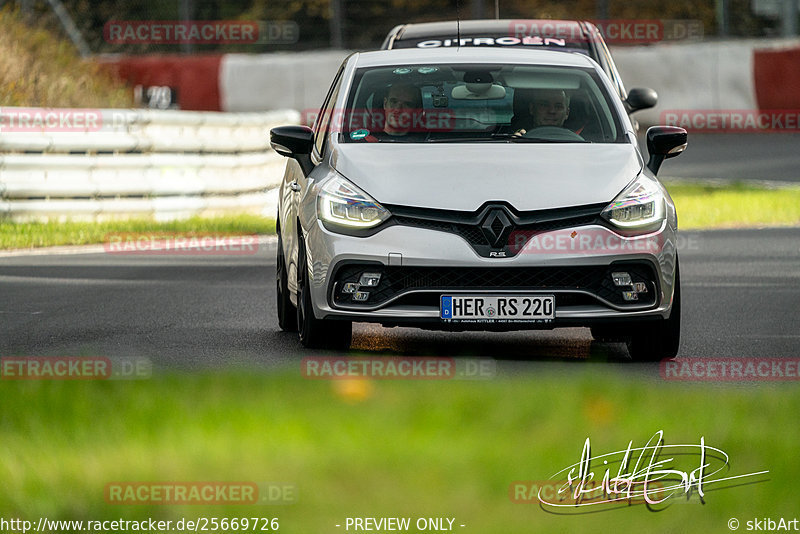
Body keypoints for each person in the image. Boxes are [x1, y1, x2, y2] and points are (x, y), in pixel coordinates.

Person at [358, 83, 425, 142]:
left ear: (417, 112)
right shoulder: (365, 141)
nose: (398, 109)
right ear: (385, 104)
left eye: (407, 104)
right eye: (394, 102)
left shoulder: (427, 141)